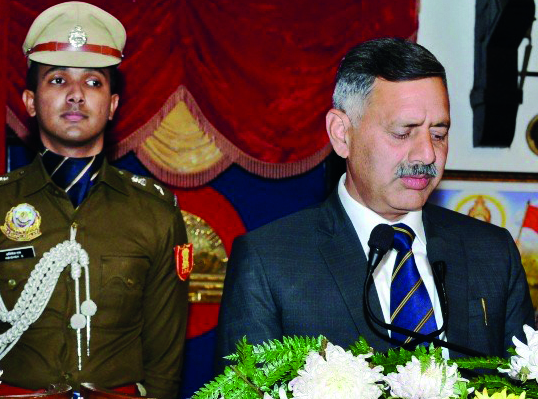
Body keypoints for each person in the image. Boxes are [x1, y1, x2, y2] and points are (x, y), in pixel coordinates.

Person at [216, 37, 533, 370]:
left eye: (438, 133)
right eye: (403, 132)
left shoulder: (493, 253)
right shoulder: (270, 263)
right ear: (342, 133)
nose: (427, 154)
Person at [0, 1, 188, 399]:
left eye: (93, 83)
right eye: (57, 81)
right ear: (31, 102)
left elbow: (165, 358)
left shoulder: (154, 211)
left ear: (113, 106)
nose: (75, 95)